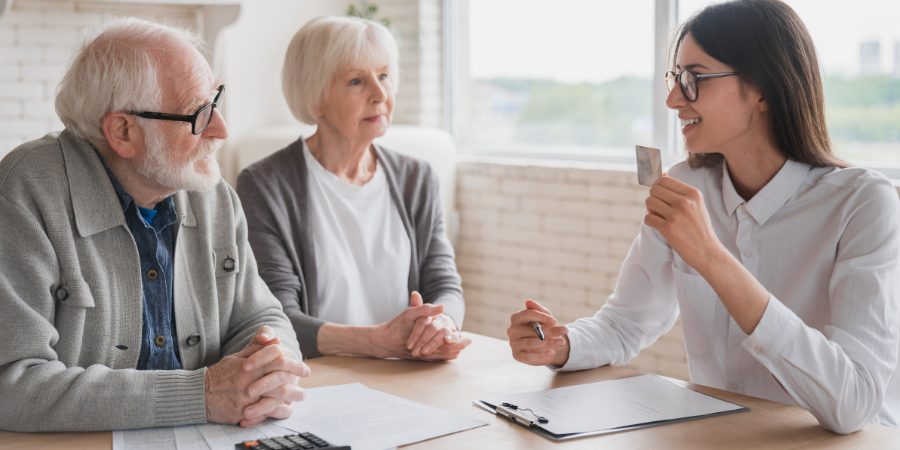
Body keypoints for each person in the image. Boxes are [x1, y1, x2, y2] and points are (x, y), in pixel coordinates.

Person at [508, 0, 899, 435]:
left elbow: (855, 405)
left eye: (694, 79)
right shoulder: (685, 184)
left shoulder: (864, 203)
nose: (673, 98)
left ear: (763, 90)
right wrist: (562, 345)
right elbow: (626, 323)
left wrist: (712, 257)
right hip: (721, 438)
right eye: (675, 78)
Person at [0, 18, 308, 432]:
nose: (221, 129)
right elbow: (12, 384)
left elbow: (258, 316)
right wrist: (202, 395)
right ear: (123, 131)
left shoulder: (210, 192)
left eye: (215, 102)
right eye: (198, 113)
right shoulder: (25, 191)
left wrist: (272, 371)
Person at [236, 16, 470, 361]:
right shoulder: (264, 185)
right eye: (357, 81)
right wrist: (376, 341)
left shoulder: (417, 178)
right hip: (320, 379)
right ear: (315, 98)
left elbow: (444, 285)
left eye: (385, 76)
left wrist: (442, 324)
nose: (380, 95)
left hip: (408, 372)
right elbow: (277, 317)